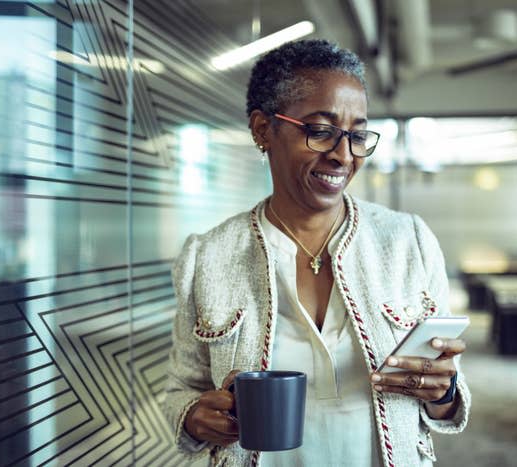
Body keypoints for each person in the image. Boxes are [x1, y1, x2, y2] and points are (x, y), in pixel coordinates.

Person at [162, 39, 470, 466]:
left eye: (357, 135)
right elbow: (182, 390)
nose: (343, 155)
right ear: (263, 129)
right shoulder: (208, 257)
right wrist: (196, 417)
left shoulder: (407, 241)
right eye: (320, 131)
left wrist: (444, 393)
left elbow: (448, 395)